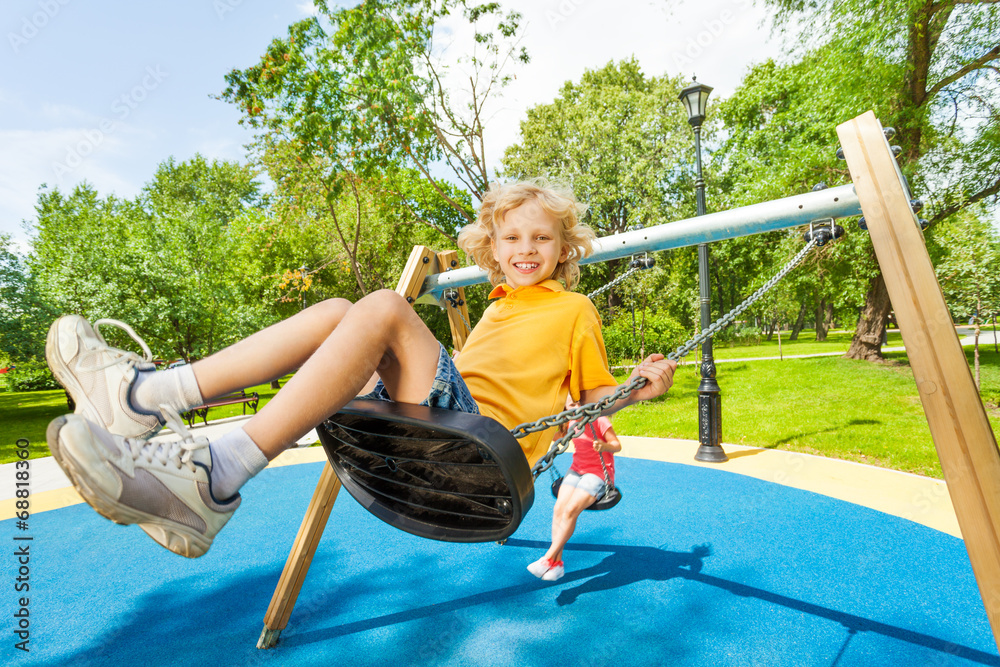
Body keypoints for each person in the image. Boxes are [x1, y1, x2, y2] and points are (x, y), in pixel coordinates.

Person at [45, 179, 677, 558]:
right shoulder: (495, 309)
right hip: (437, 429)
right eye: (512, 239)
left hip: (479, 450)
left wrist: (642, 387)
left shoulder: (573, 308)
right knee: (339, 312)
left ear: (564, 248)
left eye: (541, 239)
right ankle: (153, 398)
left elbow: (594, 394)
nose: (526, 250)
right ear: (492, 248)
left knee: (380, 308)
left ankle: (205, 461)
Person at [527, 397, 621, 582]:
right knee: (559, 509)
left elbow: (617, 445)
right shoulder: (570, 422)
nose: (577, 407)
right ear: (566, 408)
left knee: (571, 511)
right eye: (572, 405)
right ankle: (557, 564)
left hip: (598, 474)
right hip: (576, 470)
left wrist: (604, 446)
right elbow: (555, 439)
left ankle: (547, 558)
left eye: (579, 402)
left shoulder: (599, 420)